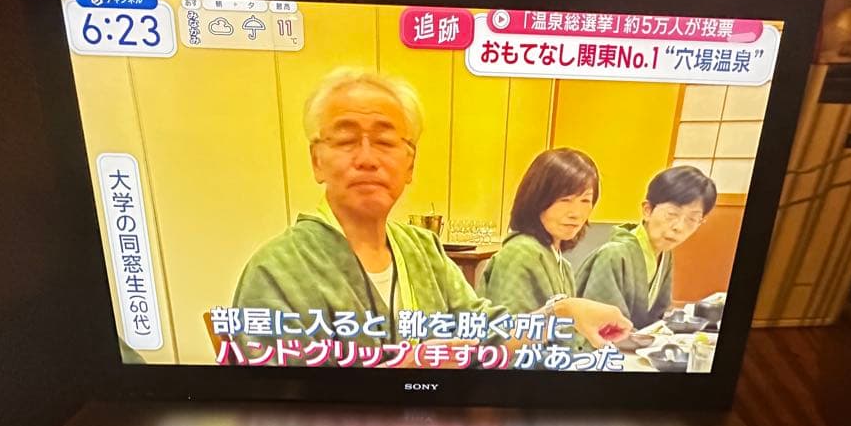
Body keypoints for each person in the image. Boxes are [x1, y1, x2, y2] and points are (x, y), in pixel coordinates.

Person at [232, 67, 629, 367]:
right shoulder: (277, 271)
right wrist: (400, 376)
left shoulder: (422, 249)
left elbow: (487, 334)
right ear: (317, 160)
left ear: (410, 165)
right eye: (347, 139)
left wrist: (562, 312)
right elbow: (271, 412)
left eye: (385, 141)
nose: (367, 158)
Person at [575, 165, 717, 329]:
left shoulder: (664, 253)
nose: (679, 227)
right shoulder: (613, 254)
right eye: (672, 214)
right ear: (647, 210)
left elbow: (660, 313)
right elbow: (605, 325)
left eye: (692, 219)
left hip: (635, 340)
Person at [477, 148, 598, 314]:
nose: (575, 213)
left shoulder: (562, 264)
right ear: (538, 199)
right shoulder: (520, 253)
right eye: (565, 200)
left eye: (585, 200)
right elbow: (506, 327)